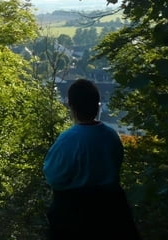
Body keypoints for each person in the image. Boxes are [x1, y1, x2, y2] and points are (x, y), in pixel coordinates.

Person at [43, 78, 140, 240]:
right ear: (97, 106)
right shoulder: (111, 136)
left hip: (75, 214)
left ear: (71, 107)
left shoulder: (68, 139)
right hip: (112, 212)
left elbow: (53, 177)